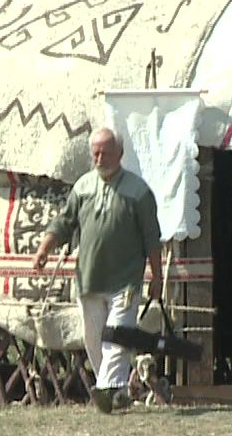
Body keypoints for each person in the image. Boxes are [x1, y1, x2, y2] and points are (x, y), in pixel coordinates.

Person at [33, 127, 164, 413]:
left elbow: (152, 238)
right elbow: (65, 222)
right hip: (89, 279)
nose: (100, 158)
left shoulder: (138, 192)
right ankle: (116, 393)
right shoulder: (83, 187)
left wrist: (157, 275)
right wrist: (45, 247)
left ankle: (105, 392)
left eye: (105, 152)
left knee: (117, 335)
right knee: (94, 339)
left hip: (125, 281)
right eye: (95, 153)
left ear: (120, 154)